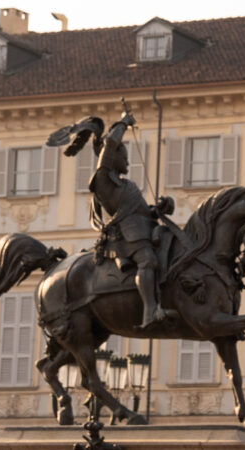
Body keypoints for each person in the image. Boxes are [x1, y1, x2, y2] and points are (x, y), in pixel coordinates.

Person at [88, 110, 174, 330]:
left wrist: (161, 208)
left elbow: (145, 212)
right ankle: (149, 312)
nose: (127, 161)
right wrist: (123, 123)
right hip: (128, 234)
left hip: (145, 229)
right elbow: (109, 144)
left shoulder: (128, 186)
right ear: (114, 159)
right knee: (148, 262)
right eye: (124, 157)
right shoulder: (102, 182)